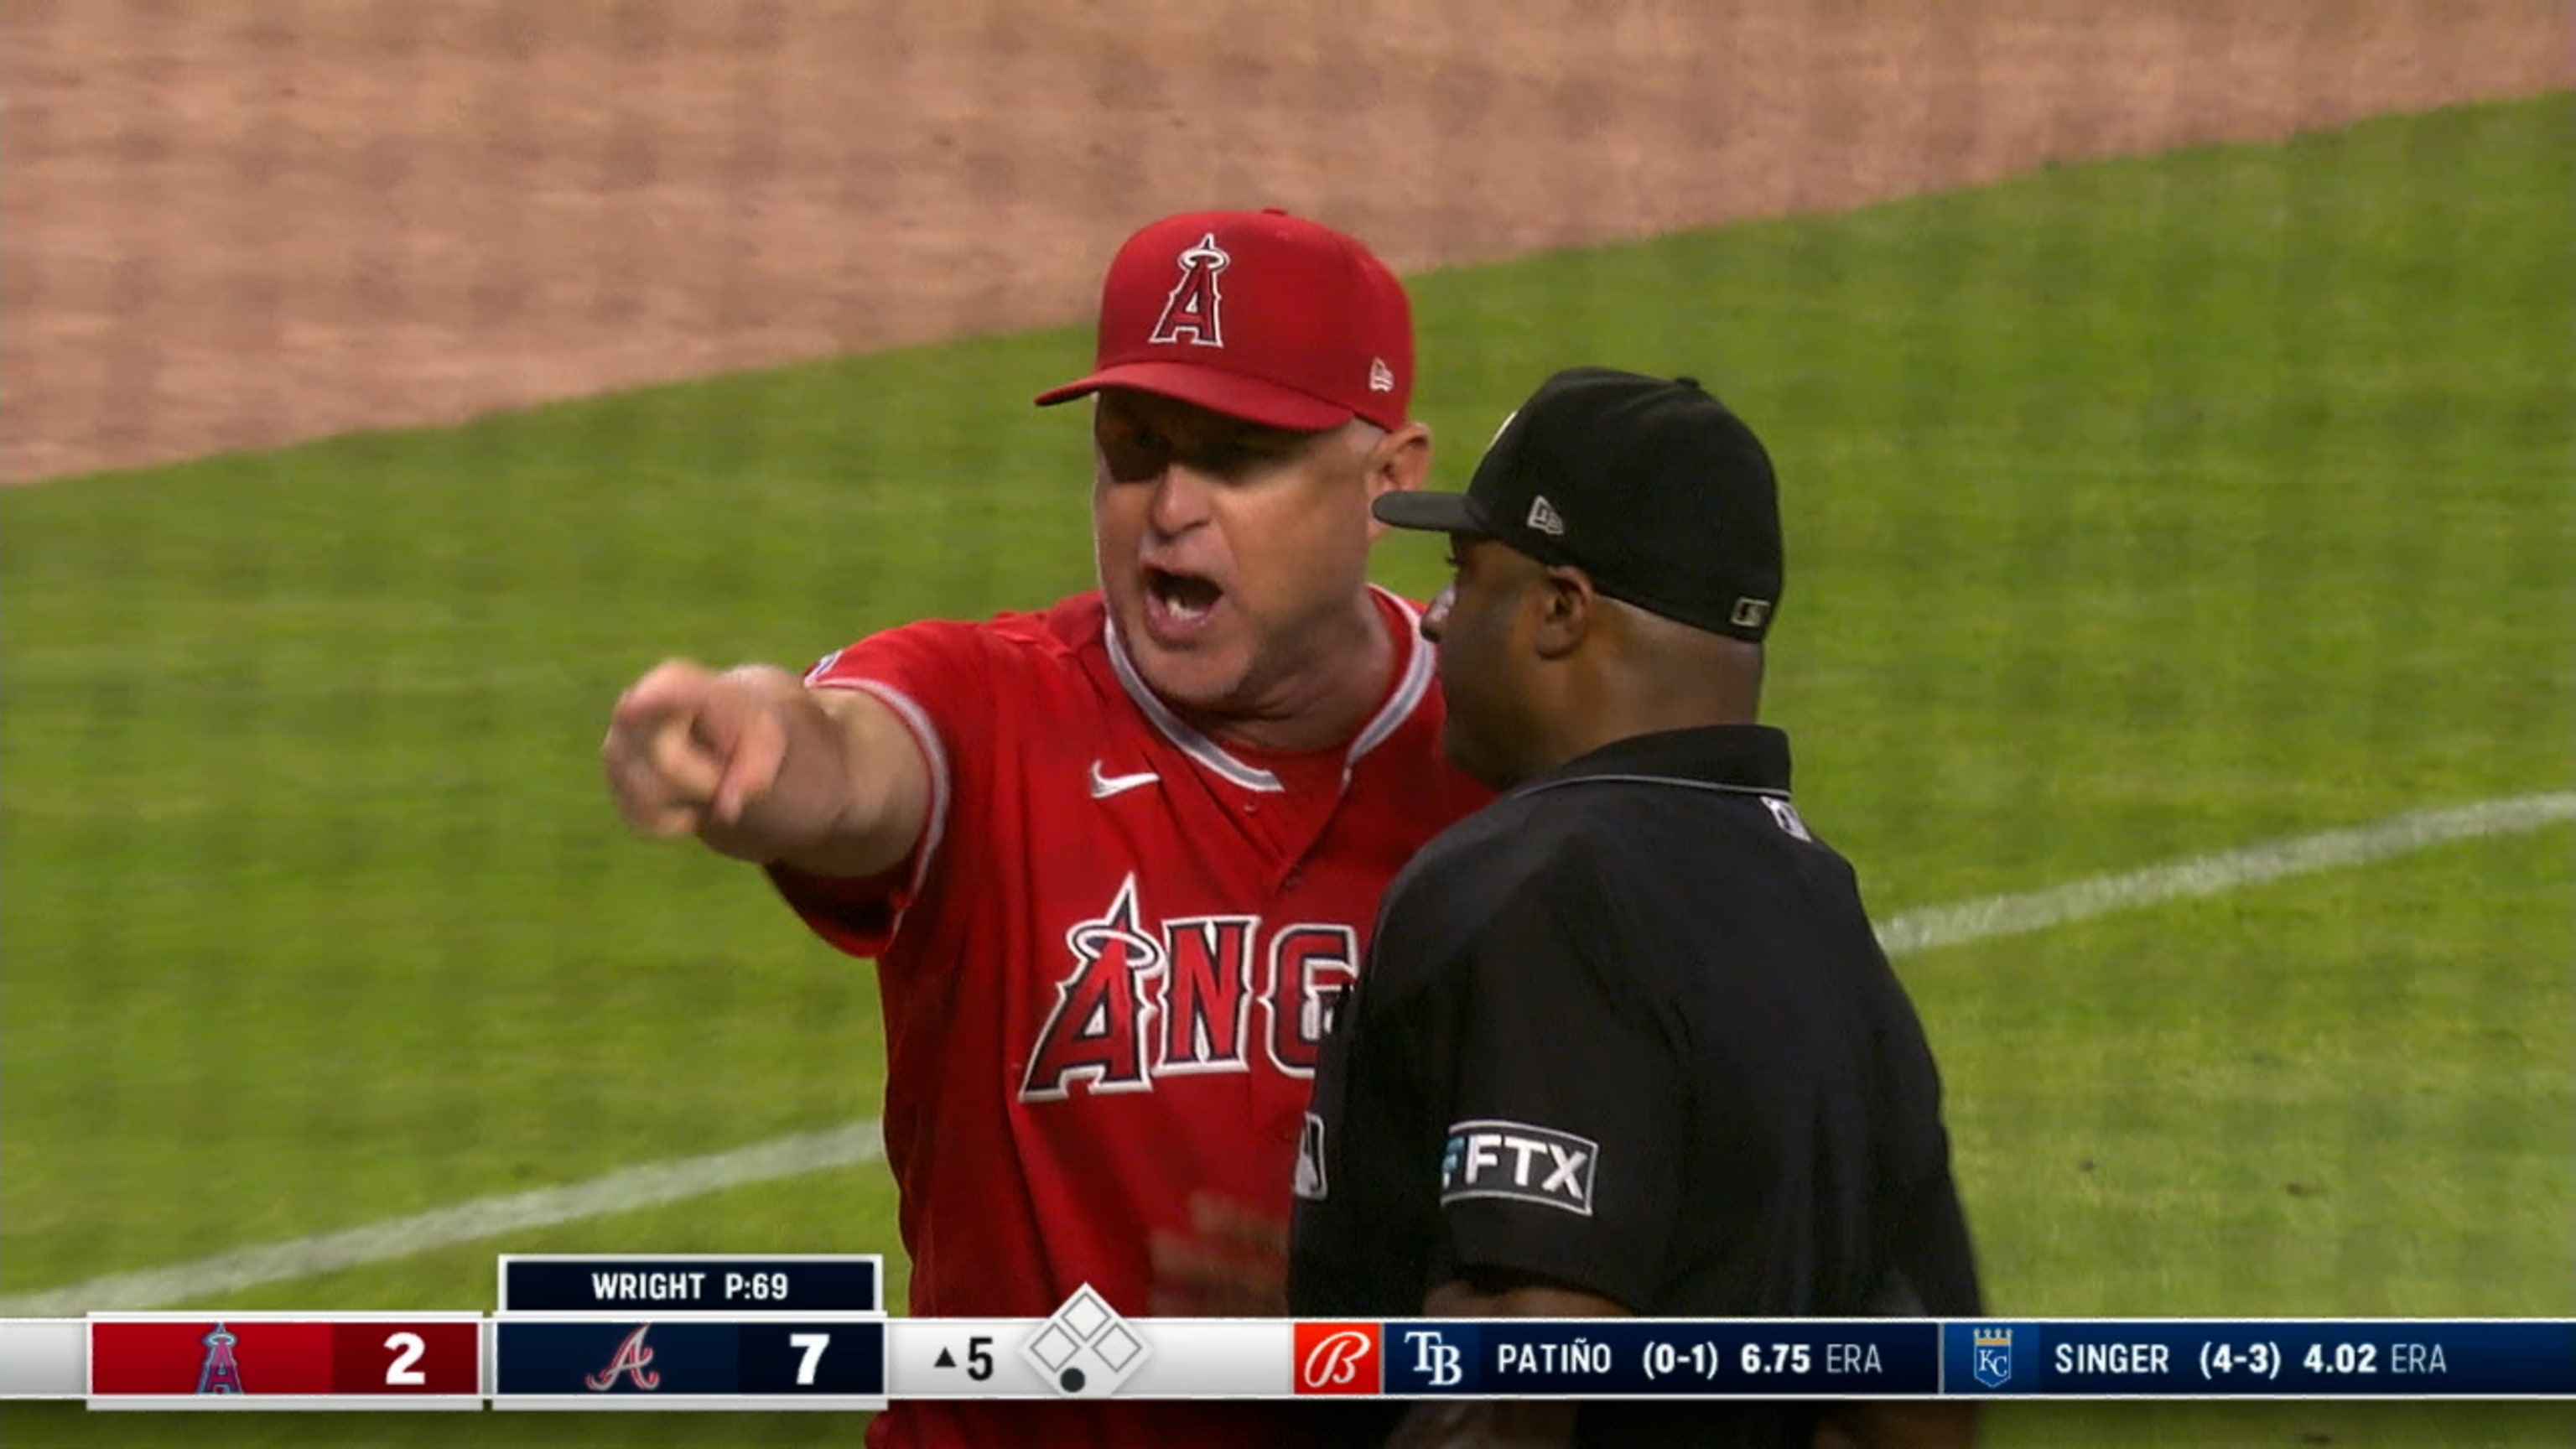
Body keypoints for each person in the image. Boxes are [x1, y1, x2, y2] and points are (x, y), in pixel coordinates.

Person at [600, 209, 1491, 1449]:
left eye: (1237, 458)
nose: (1169, 508)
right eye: (1133, 450)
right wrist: (755, 735)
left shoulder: (1503, 757)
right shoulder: (993, 706)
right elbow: (855, 761)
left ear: (1389, 481)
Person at [1286, 367, 1983, 1449]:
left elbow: (1529, 1378)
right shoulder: (1820, 905)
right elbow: (1919, 1404)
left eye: (1468, 575)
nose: (1432, 620)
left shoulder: (1538, 884)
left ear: (1562, 609)